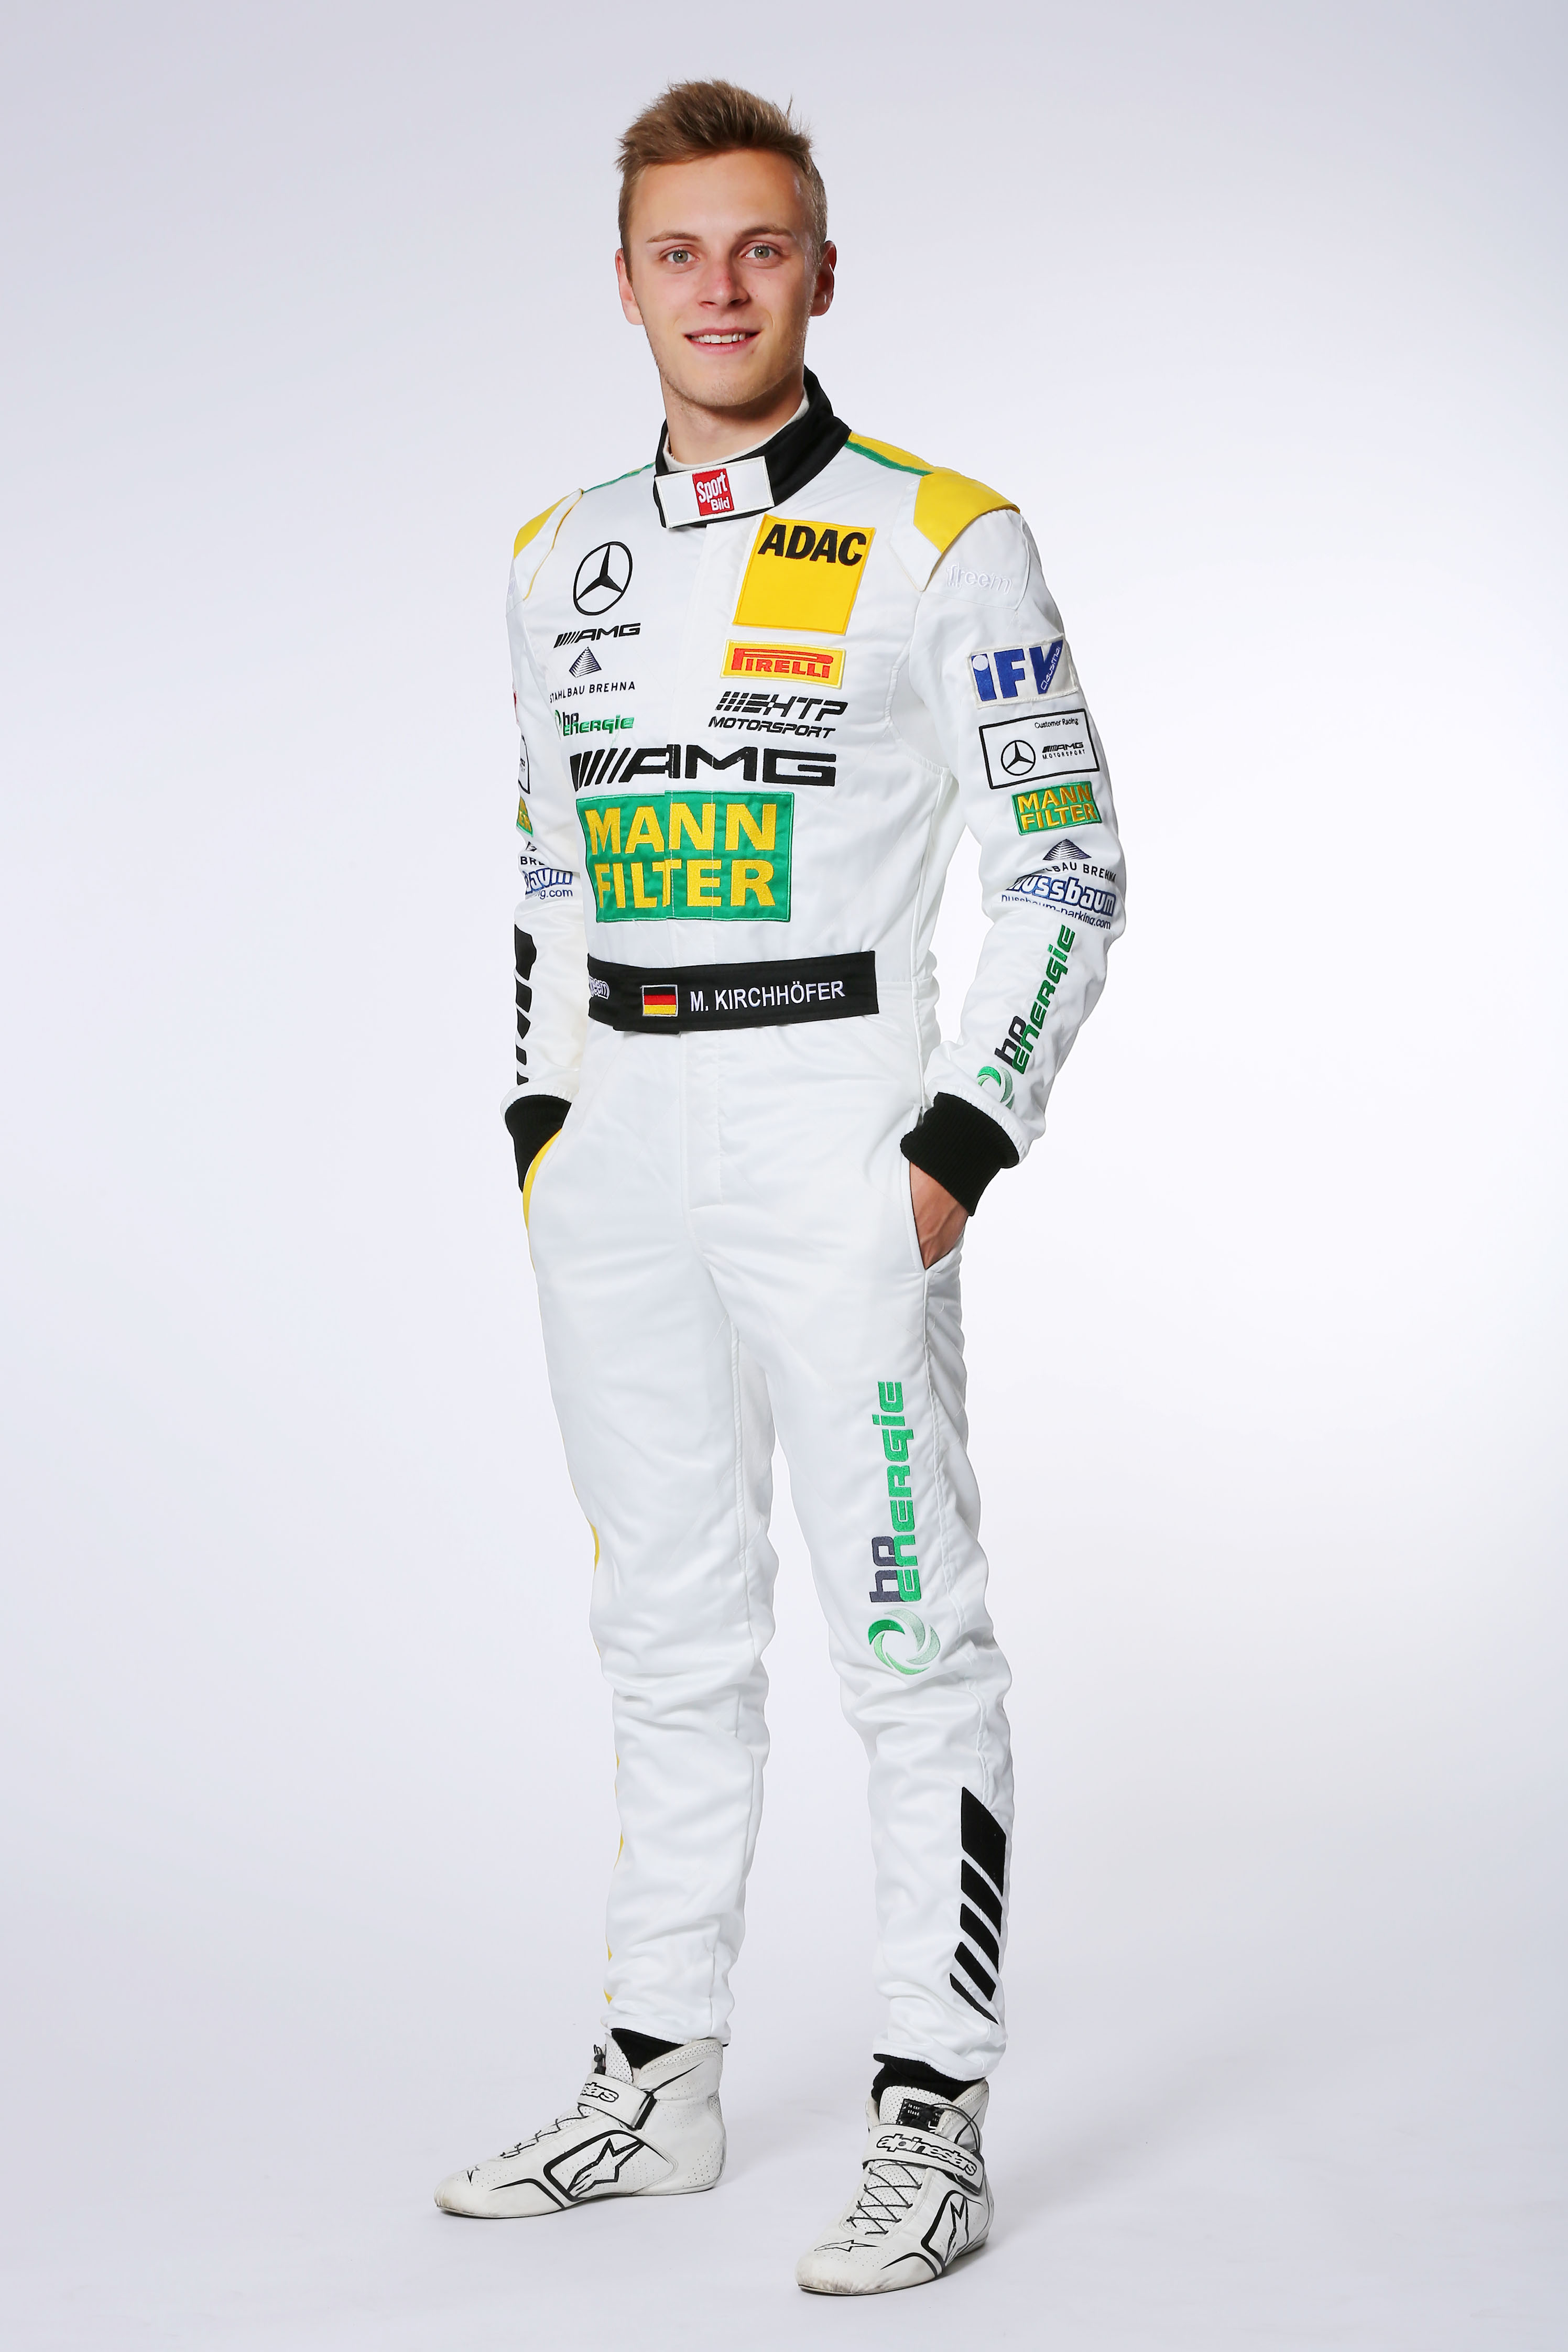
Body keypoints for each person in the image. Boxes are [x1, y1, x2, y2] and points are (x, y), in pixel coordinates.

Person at [434, 79, 1125, 2295]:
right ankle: (659, 2079)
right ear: (625, 279)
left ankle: (935, 2111)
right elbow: (545, 871)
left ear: (822, 270)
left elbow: (1067, 862)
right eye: (680, 251)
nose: (718, 288)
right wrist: (543, 1124)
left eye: (760, 248)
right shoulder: (552, 557)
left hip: (838, 1121)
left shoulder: (947, 535)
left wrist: (962, 1138)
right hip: (620, 1142)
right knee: (663, 1626)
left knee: (909, 1636)